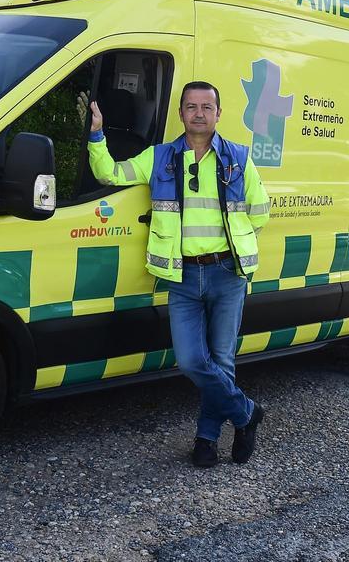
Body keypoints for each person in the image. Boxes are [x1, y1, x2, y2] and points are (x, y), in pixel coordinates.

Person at [87, 81, 270, 467]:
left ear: (219, 113)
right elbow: (110, 174)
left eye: (207, 106)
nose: (199, 113)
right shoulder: (159, 157)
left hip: (226, 273)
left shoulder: (238, 158)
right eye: (191, 106)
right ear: (181, 113)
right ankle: (245, 413)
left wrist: (232, 245)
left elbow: (260, 212)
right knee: (190, 361)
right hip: (183, 278)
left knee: (222, 361)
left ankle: (206, 440)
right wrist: (97, 134)